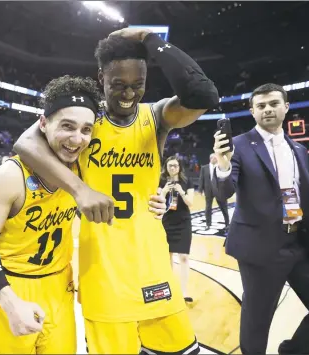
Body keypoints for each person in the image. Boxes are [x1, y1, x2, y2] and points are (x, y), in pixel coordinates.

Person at [14, 27, 219, 354]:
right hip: (103, 277)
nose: (128, 94)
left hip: (153, 268)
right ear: (101, 78)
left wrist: (151, 40)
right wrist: (80, 190)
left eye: (137, 85)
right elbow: (25, 143)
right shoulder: (84, 123)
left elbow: (204, 94)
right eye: (118, 85)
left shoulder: (157, 116)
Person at [0, 74, 167, 354]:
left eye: (86, 129)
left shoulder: (83, 168)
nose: (77, 139)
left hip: (62, 286)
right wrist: (10, 302)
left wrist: (153, 202)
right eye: (67, 126)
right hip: (13, 287)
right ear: (43, 123)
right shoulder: (11, 175)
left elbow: (126, 185)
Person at [213, 83, 309, 355]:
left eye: (273, 103)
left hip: (298, 242)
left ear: (286, 106)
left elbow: (302, 195)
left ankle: (293, 350)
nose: (267, 109)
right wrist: (223, 165)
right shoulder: (237, 146)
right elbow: (224, 191)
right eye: (260, 106)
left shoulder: (298, 149)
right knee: (257, 323)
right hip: (260, 248)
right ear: (252, 112)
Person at [158, 156, 195, 303]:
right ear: (166, 167)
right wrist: (165, 191)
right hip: (167, 222)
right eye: (170, 165)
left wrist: (180, 191)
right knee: (168, 257)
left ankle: (184, 291)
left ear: (179, 167)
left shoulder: (187, 181)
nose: (172, 168)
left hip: (183, 222)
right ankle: (170, 289)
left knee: (184, 257)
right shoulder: (161, 181)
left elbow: (190, 202)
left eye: (175, 165)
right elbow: (158, 200)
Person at [198, 153, 229, 230]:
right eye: (215, 158)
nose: (217, 159)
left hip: (220, 190)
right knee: (208, 208)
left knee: (224, 207)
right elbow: (201, 179)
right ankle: (208, 224)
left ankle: (227, 224)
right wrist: (200, 190)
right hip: (208, 190)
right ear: (211, 159)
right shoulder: (204, 168)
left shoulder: (220, 167)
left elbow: (225, 178)